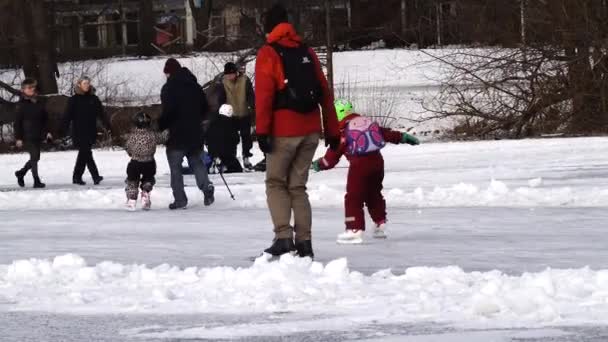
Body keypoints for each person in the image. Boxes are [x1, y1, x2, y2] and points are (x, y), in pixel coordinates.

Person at [255, 4, 340, 259]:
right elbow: (324, 92)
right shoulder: (307, 51)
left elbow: (264, 96)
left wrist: (262, 132)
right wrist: (332, 130)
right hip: (311, 129)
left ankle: (283, 237)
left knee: (275, 182)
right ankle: (305, 243)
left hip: (283, 129)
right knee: (298, 187)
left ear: (269, 26)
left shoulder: (268, 53)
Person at [312, 100, 420, 244]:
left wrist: (318, 165)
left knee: (353, 197)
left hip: (359, 166)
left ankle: (354, 229)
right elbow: (386, 133)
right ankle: (380, 223)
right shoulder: (367, 123)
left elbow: (331, 159)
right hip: (377, 163)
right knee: (374, 193)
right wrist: (404, 137)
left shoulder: (342, 132)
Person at [159, 58, 214, 210]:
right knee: (197, 162)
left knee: (175, 167)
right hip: (195, 133)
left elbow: (168, 112)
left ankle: (180, 199)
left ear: (169, 73)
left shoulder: (168, 88)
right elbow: (205, 109)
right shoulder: (195, 87)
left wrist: (160, 125)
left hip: (177, 134)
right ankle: (206, 187)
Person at [62, 76, 110, 186]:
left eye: (88, 83)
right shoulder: (73, 100)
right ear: (79, 85)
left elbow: (101, 114)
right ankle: (95, 176)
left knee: (84, 154)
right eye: (84, 83)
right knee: (86, 153)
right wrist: (62, 129)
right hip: (79, 131)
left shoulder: (94, 98)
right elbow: (67, 116)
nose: (87, 85)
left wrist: (107, 125)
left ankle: (77, 177)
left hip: (91, 130)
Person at [14, 78, 52, 189]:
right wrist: (18, 138)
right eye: (29, 87)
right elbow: (17, 123)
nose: (32, 89)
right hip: (27, 135)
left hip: (38, 134)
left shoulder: (39, 102)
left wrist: (48, 132)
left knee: (36, 157)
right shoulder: (21, 105)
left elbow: (45, 119)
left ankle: (21, 173)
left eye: (33, 87)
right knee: (35, 156)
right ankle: (36, 180)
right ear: (23, 89)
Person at [124, 112, 166, 211]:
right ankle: (145, 194)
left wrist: (131, 153)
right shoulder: (153, 135)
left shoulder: (132, 136)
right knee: (148, 179)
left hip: (135, 162)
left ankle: (131, 200)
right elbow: (163, 137)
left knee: (132, 181)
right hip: (149, 162)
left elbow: (128, 147)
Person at [220, 62, 255, 170]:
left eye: (232, 74)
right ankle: (232, 158)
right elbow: (220, 97)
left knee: (246, 136)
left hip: (244, 113)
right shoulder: (223, 82)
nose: (230, 77)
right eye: (227, 75)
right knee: (231, 138)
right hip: (230, 115)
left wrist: (251, 106)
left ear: (236, 73)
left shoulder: (245, 80)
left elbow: (250, 95)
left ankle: (246, 156)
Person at [206, 104, 243, 173]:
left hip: (212, 151)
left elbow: (206, 137)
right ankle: (223, 165)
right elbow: (236, 139)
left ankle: (216, 161)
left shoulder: (212, 122)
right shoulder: (231, 124)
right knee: (237, 169)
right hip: (228, 153)